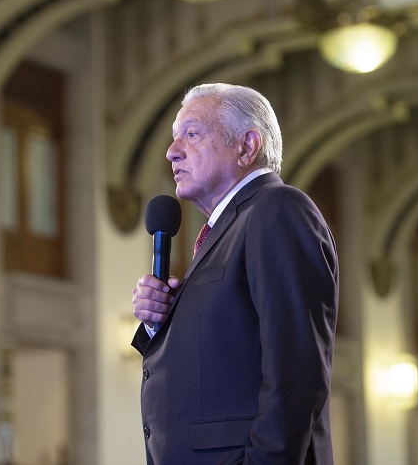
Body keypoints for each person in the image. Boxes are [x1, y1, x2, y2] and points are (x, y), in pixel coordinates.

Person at [131, 83, 339, 464]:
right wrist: (159, 323)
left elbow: (296, 376)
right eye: (175, 138)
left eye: (191, 134)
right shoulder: (227, 229)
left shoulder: (278, 210)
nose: (171, 151)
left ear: (246, 147)